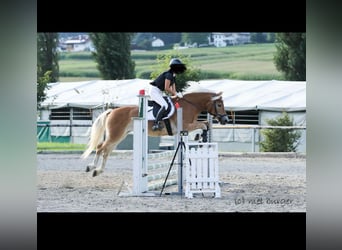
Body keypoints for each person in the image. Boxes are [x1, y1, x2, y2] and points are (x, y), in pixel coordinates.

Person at [149, 58, 187, 131]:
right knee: (165, 105)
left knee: (170, 102)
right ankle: (156, 123)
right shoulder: (168, 75)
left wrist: (176, 95)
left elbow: (173, 89)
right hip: (154, 90)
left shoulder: (173, 76)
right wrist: (175, 94)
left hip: (159, 91)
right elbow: (167, 88)